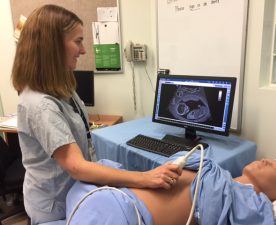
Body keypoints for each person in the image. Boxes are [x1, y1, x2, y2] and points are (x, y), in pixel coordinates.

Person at [11, 4, 182, 224]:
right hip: (57, 206)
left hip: (77, 193)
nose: (83, 51)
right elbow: (76, 167)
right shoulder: (40, 105)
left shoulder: (62, 86)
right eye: (78, 41)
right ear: (52, 46)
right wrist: (145, 178)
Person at [66, 152, 276, 225]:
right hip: (96, 194)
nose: (268, 161)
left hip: (122, 215)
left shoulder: (254, 206)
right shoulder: (214, 167)